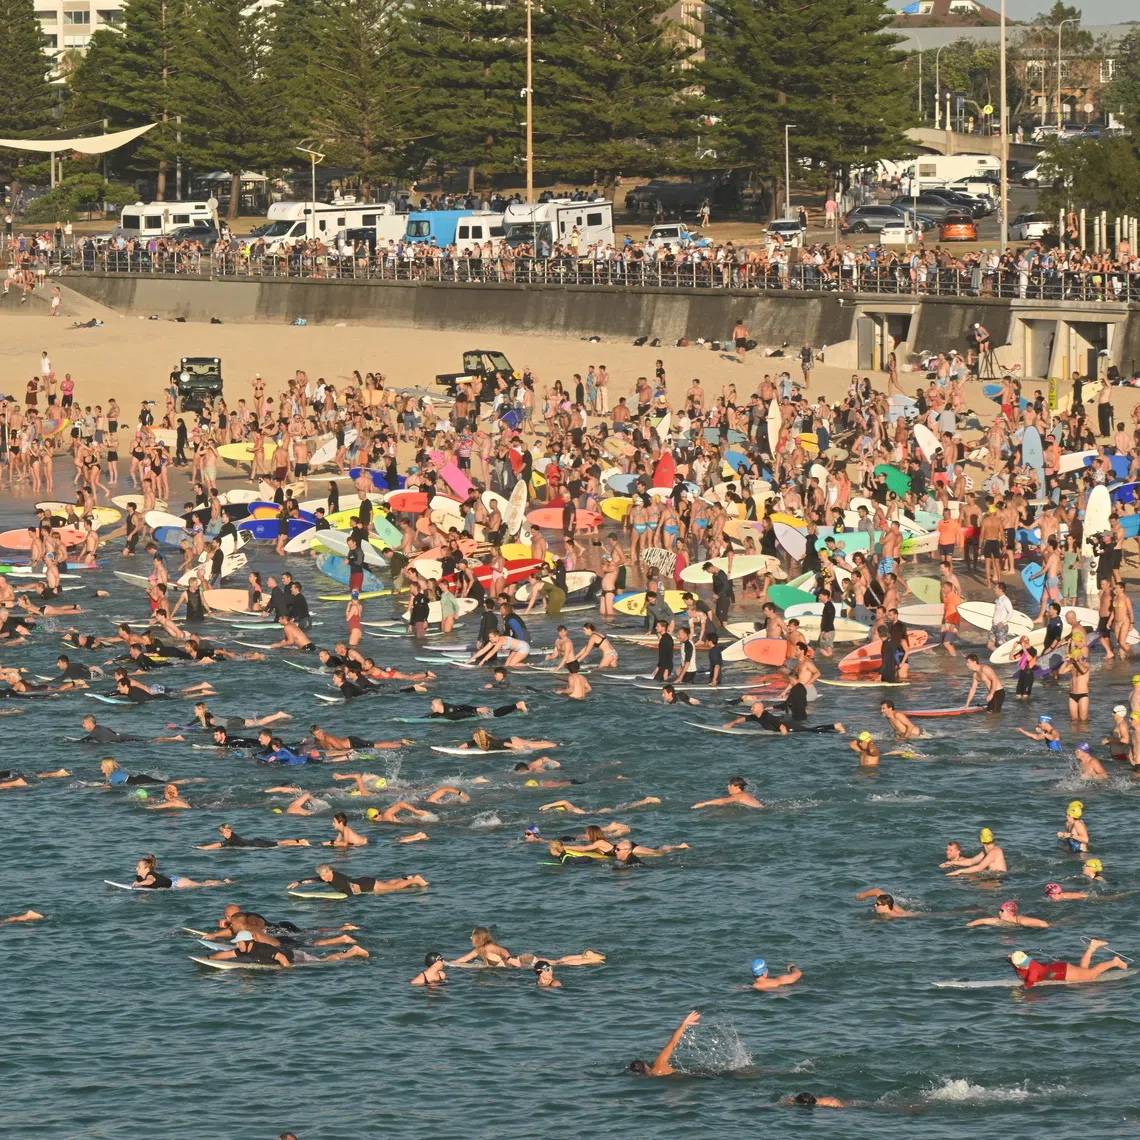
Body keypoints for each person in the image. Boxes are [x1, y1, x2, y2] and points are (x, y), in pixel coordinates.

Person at [1009, 939, 1127, 988]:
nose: (1028, 964)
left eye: (1027, 961)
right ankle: (1092, 946)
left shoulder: (1032, 968)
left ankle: (1114, 962)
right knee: (1084, 969)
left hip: (1062, 972)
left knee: (1091, 974)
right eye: (1024, 963)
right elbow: (1011, 958)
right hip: (1058, 968)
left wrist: (1022, 991)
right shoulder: (1018, 962)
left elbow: (1030, 981)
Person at [629, 1010, 701, 1076]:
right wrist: (684, 1024)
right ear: (645, 1065)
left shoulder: (651, 1077)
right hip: (698, 1075)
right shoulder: (658, 1066)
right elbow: (672, 1043)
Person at [288, 863, 428, 895]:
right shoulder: (328, 878)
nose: (322, 878)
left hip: (368, 885)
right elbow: (313, 879)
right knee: (387, 884)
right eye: (321, 876)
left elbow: (349, 891)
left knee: (393, 888)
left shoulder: (337, 879)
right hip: (364, 881)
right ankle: (410, 878)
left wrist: (349, 900)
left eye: (324, 875)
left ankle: (417, 880)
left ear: (329, 872)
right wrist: (298, 882)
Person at [195, 823, 310, 849]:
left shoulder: (231, 839)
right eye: (224, 833)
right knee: (278, 843)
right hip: (254, 841)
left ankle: (300, 842)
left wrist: (203, 848)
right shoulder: (232, 836)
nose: (226, 834)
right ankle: (299, 841)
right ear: (221, 833)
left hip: (256, 844)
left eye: (228, 831)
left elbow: (217, 845)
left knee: (279, 844)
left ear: (231, 831)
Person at [692, 776, 762, 809]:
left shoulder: (739, 796)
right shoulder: (744, 794)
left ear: (736, 787)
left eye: (729, 785)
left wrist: (704, 803)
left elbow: (722, 801)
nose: (728, 787)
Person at [966, 900, 1049, 928]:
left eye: (1002, 910)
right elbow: (983, 921)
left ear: (1009, 912)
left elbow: (1044, 924)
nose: (999, 912)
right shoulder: (999, 920)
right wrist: (969, 925)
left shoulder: (1022, 921)